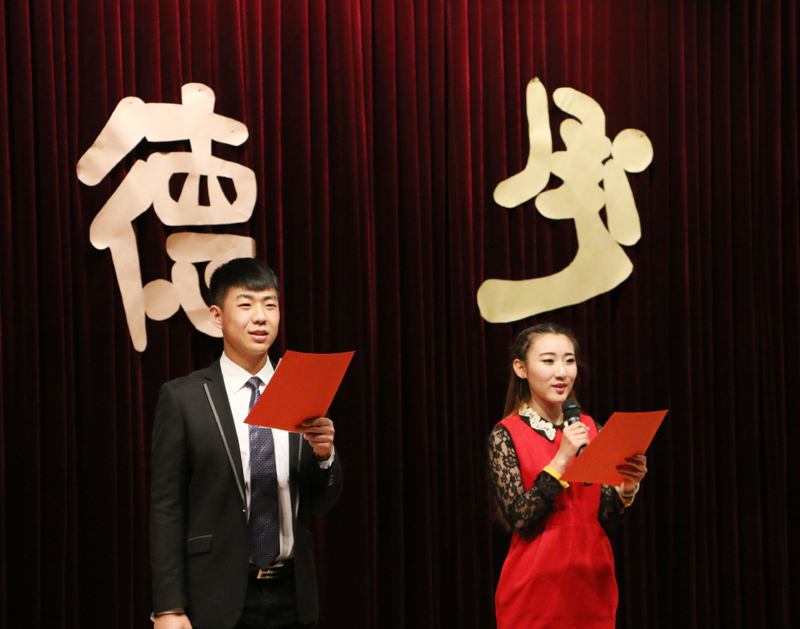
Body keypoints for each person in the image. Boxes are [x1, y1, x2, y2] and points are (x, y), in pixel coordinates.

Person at [150, 258, 343, 629]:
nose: (260, 317)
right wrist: (169, 607)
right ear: (217, 316)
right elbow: (166, 509)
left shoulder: (302, 387)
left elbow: (321, 502)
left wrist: (325, 457)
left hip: (293, 595)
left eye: (270, 305)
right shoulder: (185, 398)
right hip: (216, 596)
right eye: (246, 304)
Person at [488, 323, 647, 629]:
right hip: (535, 587)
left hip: (592, 580)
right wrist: (562, 459)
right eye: (548, 361)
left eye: (569, 360)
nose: (561, 372)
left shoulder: (591, 427)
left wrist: (627, 488)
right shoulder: (506, 434)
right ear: (521, 369)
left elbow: (605, 516)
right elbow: (519, 518)